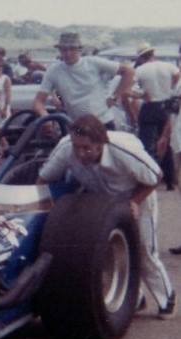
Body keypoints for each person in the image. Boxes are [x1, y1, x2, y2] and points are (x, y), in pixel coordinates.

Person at [37, 113, 175, 319]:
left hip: (137, 193)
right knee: (114, 252)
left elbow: (156, 176)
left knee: (144, 250)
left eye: (87, 148)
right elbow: (43, 179)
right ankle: (135, 299)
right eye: (77, 147)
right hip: (102, 202)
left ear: (101, 143)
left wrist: (134, 201)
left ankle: (167, 299)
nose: (80, 153)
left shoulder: (122, 150)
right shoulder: (66, 148)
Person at [33, 33, 134, 127]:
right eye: (64, 50)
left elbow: (129, 71)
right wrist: (45, 118)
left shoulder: (93, 62)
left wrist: (114, 97)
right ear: (60, 50)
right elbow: (38, 101)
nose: (68, 53)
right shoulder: (53, 70)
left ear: (79, 49)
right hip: (77, 125)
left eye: (72, 49)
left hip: (102, 122)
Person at [133, 42, 180, 170]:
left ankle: (150, 170)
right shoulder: (168, 66)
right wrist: (171, 89)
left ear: (140, 58)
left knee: (146, 142)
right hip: (167, 104)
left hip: (150, 106)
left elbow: (128, 90)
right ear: (153, 54)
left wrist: (141, 95)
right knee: (167, 140)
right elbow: (178, 77)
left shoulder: (139, 70)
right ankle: (168, 174)